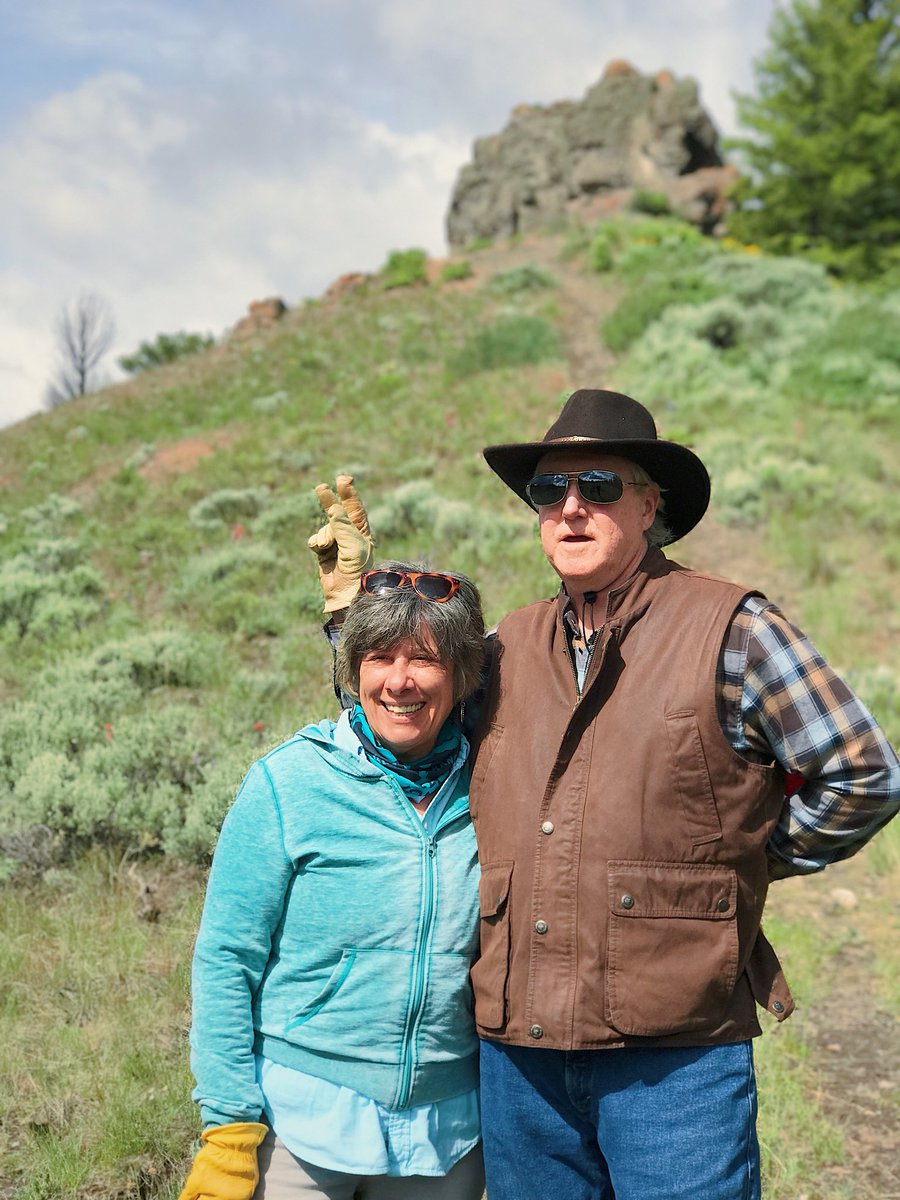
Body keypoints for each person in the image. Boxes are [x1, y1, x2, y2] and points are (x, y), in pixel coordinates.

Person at [311, 390, 900, 1200]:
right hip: (520, 1061)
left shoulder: (734, 628)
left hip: (676, 1060)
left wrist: (744, 863)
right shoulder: (506, 647)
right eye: (550, 491)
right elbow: (398, 723)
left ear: (651, 504)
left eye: (600, 485)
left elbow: (864, 772)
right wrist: (352, 621)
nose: (572, 508)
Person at [179, 550, 487, 1200]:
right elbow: (226, 962)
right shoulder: (289, 783)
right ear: (354, 669)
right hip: (296, 1126)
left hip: (445, 1136)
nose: (399, 681)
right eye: (380, 658)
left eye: (424, 659)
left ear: (462, 676)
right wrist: (231, 1131)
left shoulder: (493, 787)